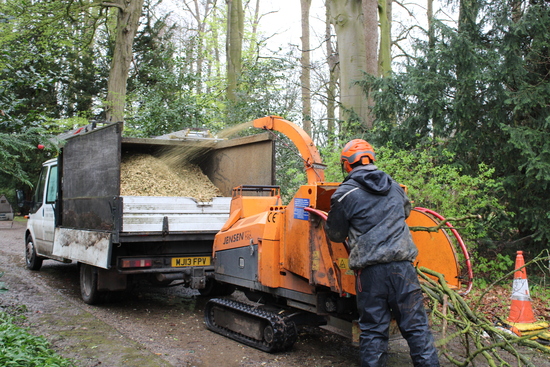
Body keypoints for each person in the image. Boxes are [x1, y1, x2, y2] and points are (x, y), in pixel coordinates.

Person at [325, 139, 440, 367]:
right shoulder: (395, 187)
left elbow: (336, 234)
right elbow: (405, 212)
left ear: (347, 165)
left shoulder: (344, 194)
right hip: (404, 270)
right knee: (417, 328)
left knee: (374, 331)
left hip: (371, 273)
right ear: (372, 160)